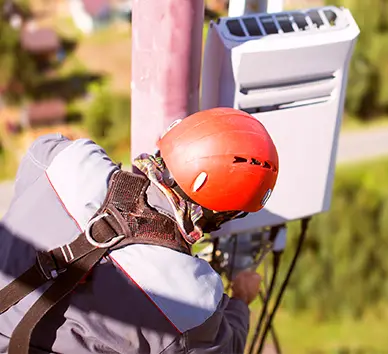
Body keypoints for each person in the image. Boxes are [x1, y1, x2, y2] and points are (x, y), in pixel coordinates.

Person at [0, 107, 280, 354]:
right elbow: (224, 348)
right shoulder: (191, 304)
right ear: (222, 216)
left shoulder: (64, 158)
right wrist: (241, 301)